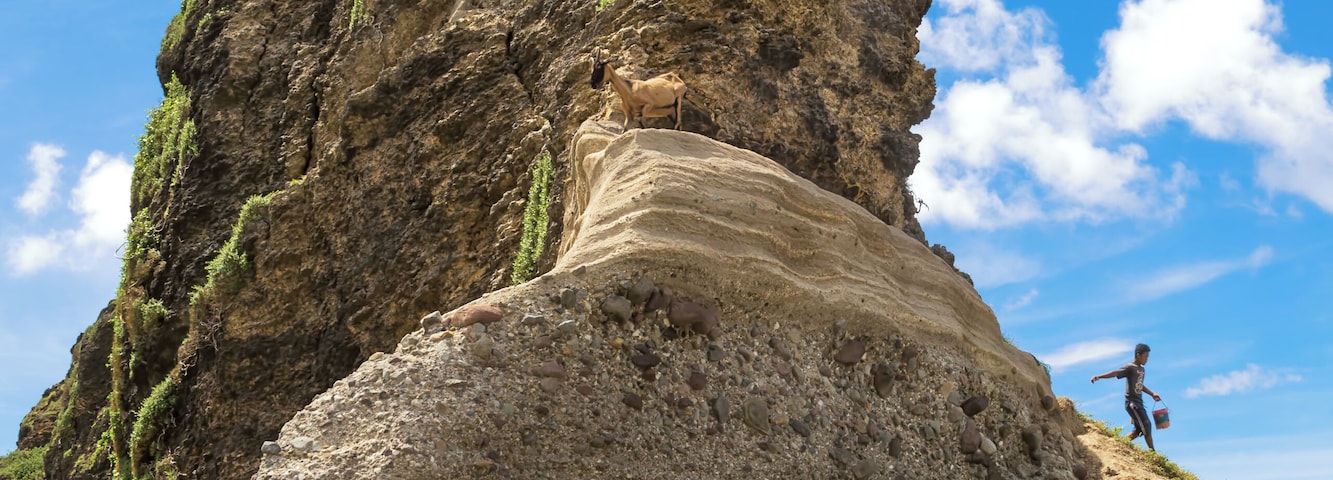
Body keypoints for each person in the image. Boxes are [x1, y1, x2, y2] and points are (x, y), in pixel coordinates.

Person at [1090, 343, 1162, 451]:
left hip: (1139, 403)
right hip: (1132, 403)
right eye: (1145, 356)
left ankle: (1118, 444)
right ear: (1138, 355)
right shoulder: (1130, 368)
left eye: (1148, 357)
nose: (1147, 359)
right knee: (1147, 425)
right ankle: (1154, 453)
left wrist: (1152, 394)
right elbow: (1115, 373)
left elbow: (1140, 385)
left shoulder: (1142, 370)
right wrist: (1099, 376)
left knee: (1139, 430)